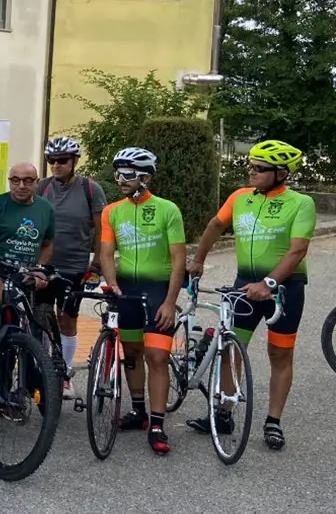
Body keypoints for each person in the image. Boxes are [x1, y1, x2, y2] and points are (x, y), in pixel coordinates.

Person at [186, 139, 314, 451]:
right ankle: (225, 413)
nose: (252, 172)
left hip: (284, 289)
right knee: (231, 348)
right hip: (244, 284)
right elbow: (215, 225)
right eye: (251, 166)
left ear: (281, 173)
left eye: (260, 168)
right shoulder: (240, 197)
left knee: (279, 354)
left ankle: (273, 421)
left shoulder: (300, 203)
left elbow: (297, 250)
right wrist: (198, 259)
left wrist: (268, 283)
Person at [97, 147, 185, 455]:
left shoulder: (167, 209)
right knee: (132, 352)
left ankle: (158, 424)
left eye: (128, 174)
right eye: (118, 174)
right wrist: (112, 284)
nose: (121, 180)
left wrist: (170, 302)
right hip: (127, 290)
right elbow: (106, 252)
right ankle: (139, 412)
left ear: (146, 177)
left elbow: (179, 259)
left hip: (158, 289)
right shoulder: (111, 211)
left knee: (157, 357)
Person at [38, 136, 106, 399]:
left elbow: (102, 230)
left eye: (62, 160)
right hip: (44, 266)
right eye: (51, 160)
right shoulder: (42, 187)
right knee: (40, 318)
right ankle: (42, 371)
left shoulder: (90, 189)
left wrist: (97, 264)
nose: (56, 165)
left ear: (74, 161)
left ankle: (65, 374)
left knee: (67, 319)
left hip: (75, 265)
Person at [0, 162, 56, 371]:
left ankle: (13, 382)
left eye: (28, 181)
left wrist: (39, 269)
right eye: (15, 180)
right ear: (9, 181)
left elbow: (48, 244)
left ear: (37, 183)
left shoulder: (46, 208)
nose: (21, 185)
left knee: (18, 337)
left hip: (25, 279)